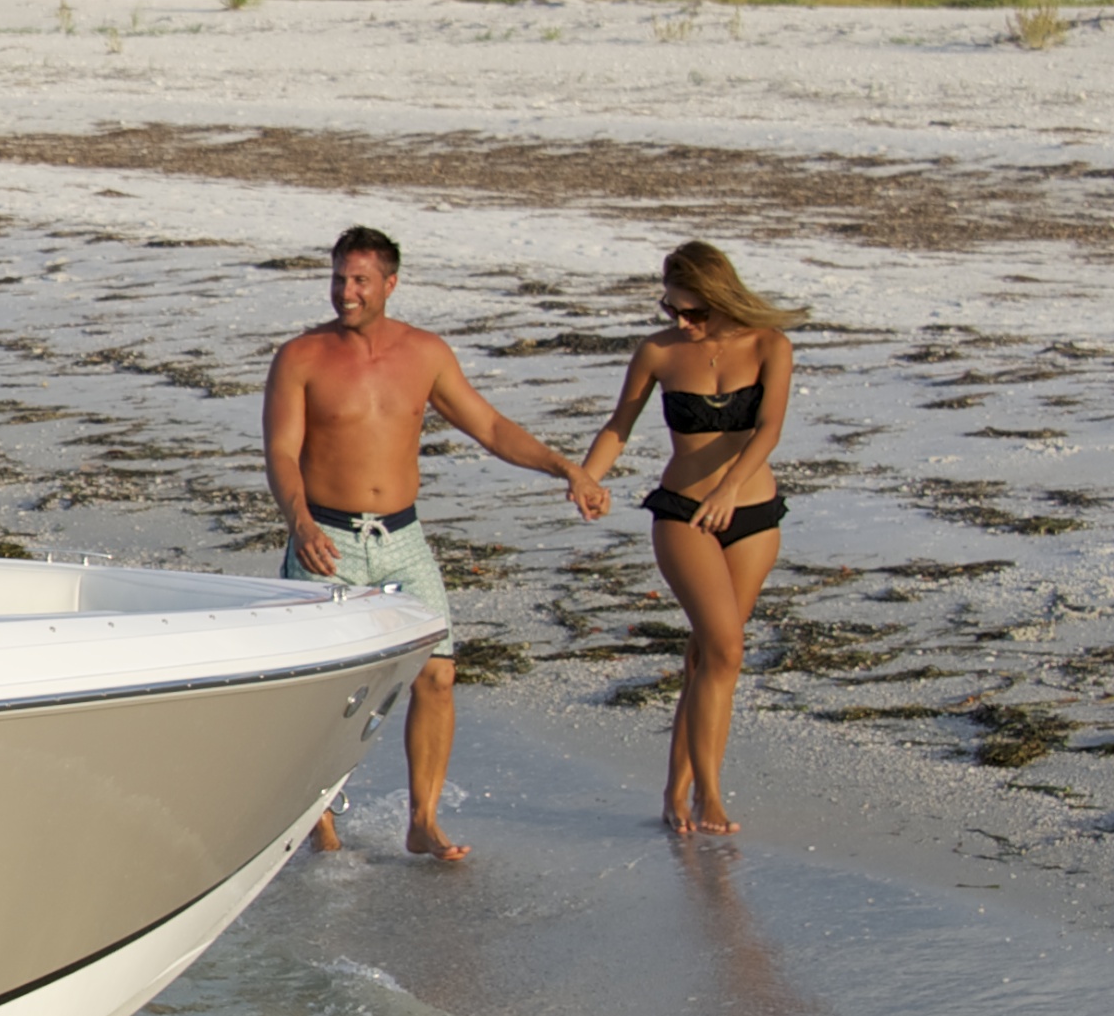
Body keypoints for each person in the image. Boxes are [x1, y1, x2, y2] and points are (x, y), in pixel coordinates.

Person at [263, 224, 608, 861]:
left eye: (360, 280)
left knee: (438, 675)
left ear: (390, 284)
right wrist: (300, 521)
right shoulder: (301, 357)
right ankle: (320, 820)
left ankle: (422, 821)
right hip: (326, 539)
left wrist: (567, 468)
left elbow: (491, 427)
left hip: (402, 538)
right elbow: (282, 451)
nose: (346, 291)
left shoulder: (425, 353)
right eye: (339, 278)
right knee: (325, 689)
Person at [577, 239, 804, 837]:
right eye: (671, 309)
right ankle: (709, 794)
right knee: (725, 650)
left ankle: (675, 790)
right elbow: (619, 425)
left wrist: (730, 488)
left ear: (721, 297)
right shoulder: (658, 352)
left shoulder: (771, 346)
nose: (682, 322)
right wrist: (588, 478)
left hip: (752, 514)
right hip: (683, 513)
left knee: (708, 656)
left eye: (694, 312)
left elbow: (769, 428)